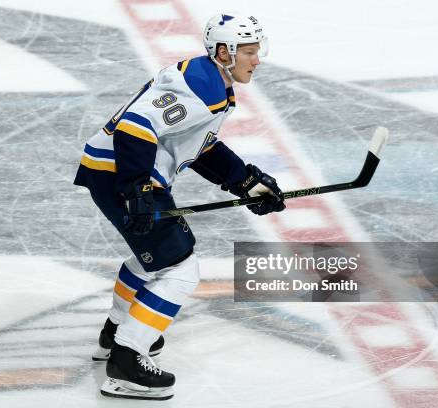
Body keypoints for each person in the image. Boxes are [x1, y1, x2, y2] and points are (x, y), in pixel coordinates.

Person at [73, 13, 286, 400]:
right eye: (250, 52)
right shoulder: (204, 85)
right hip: (122, 173)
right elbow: (135, 126)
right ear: (225, 52)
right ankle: (126, 363)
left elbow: (197, 144)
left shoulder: (209, 79)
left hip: (116, 171)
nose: (257, 60)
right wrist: (137, 190)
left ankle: (114, 335)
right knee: (181, 269)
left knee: (155, 258)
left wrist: (244, 181)